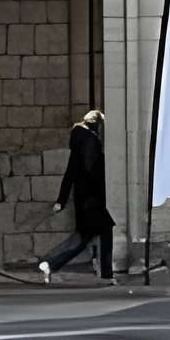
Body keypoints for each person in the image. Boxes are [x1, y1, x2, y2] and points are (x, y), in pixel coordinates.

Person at [39, 108, 114, 281]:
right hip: (92, 198)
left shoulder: (79, 141)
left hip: (84, 198)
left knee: (87, 235)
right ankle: (105, 273)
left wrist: (61, 200)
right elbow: (92, 170)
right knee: (93, 234)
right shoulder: (91, 142)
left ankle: (50, 263)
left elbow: (70, 173)